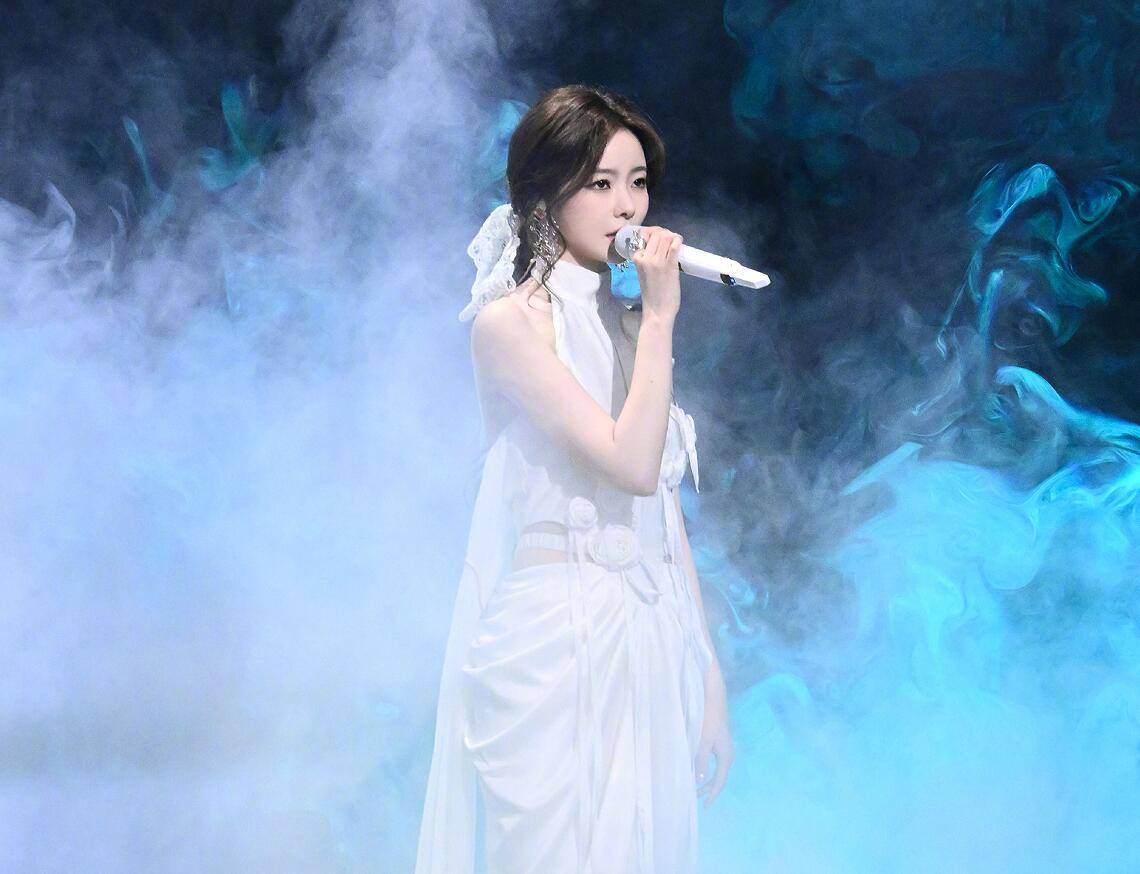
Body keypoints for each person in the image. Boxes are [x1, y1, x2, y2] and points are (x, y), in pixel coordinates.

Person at [415, 84, 733, 874]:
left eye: (638, 182)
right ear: (546, 190)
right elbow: (628, 465)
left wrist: (708, 674)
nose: (627, 206)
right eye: (600, 183)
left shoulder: (630, 327)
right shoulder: (507, 326)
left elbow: (664, 512)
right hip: (552, 643)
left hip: (648, 636)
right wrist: (661, 319)